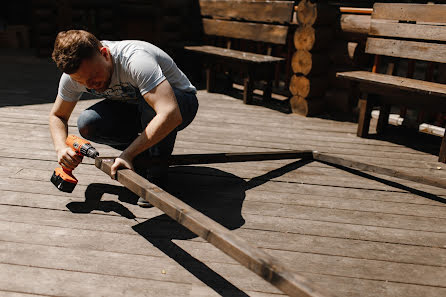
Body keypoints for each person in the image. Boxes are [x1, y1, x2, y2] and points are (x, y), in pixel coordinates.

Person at [49, 30, 199, 206]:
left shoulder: (135, 60)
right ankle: (143, 159)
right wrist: (60, 148)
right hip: (137, 107)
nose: (91, 86)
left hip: (181, 104)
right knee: (88, 123)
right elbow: (58, 115)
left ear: (104, 54)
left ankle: (156, 174)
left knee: (149, 105)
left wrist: (127, 154)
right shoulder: (74, 76)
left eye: (93, 76)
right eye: (82, 82)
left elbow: (170, 114)